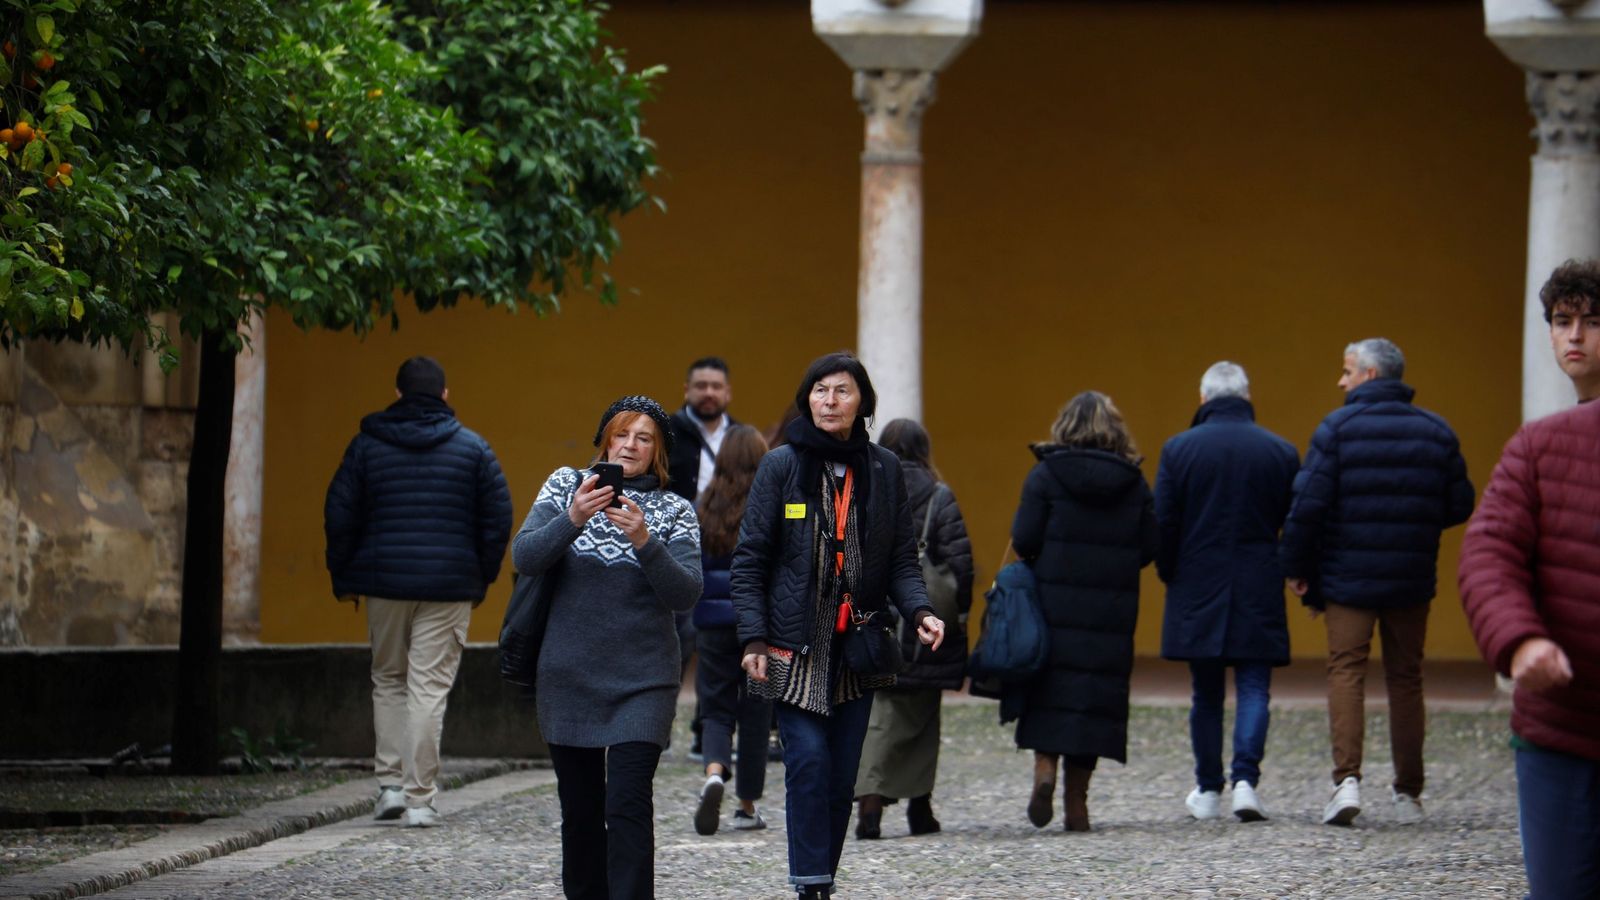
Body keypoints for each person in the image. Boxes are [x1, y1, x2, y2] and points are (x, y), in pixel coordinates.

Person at [732, 352, 945, 900]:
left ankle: (820, 877)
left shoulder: (882, 469)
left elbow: (901, 559)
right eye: (820, 390)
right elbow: (751, 557)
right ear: (807, 399)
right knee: (807, 762)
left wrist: (920, 612)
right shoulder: (781, 465)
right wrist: (753, 636)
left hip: (856, 646)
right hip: (793, 644)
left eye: (842, 391)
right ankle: (811, 885)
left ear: (862, 403)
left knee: (841, 778)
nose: (830, 400)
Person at [511, 396, 703, 899]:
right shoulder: (563, 486)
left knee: (627, 805)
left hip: (644, 680)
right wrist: (573, 517)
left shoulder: (674, 510)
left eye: (644, 439)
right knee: (580, 812)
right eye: (622, 434)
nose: (630, 446)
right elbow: (526, 556)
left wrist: (645, 540)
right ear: (605, 439)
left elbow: (686, 592)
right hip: (568, 675)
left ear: (657, 452)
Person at [1278, 338, 1475, 827]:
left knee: (1346, 670)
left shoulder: (1337, 429)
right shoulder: (1436, 432)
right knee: (1406, 677)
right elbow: (1460, 503)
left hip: (1349, 579)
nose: (1340, 381)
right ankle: (1408, 794)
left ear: (1368, 375)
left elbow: (1308, 507)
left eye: (1346, 371)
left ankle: (1346, 781)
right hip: (1410, 577)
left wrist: (1297, 566)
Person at [1458, 259, 1600, 899]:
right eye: (1563, 322)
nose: (1576, 337)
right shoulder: (1539, 447)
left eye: (1594, 322)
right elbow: (1489, 552)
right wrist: (1520, 642)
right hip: (1561, 730)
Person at [323, 356, 513, 828]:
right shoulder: (474, 450)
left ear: (398, 391)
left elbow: (339, 513)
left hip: (384, 582)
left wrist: (345, 576)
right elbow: (498, 519)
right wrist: (480, 577)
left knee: (388, 678)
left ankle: (389, 786)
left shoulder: (366, 445)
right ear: (445, 395)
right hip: (449, 586)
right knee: (428, 688)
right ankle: (420, 799)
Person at [1154, 362, 1299, 823]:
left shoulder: (1178, 450)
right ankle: (1246, 783)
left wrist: (1169, 571)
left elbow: (1165, 523)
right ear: (1246, 395)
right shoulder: (1280, 451)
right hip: (1258, 578)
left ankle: (1208, 787)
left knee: (1206, 692)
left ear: (1203, 398)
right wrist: (1288, 567)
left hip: (1198, 580)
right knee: (1255, 686)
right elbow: (1294, 521)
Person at [1010, 391, 1158, 833]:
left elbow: (1024, 537)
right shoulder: (1134, 482)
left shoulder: (1045, 475)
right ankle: (1078, 803)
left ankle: (1044, 771)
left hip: (1053, 604)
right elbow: (1151, 547)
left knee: (1050, 691)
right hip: (1110, 611)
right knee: (1092, 700)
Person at [854, 418, 973, 839]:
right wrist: (958, 616)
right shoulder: (940, 496)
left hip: (873, 620)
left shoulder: (866, 489)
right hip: (926, 625)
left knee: (878, 719)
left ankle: (869, 806)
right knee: (923, 718)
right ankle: (920, 809)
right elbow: (960, 563)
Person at [690, 424, 774, 836]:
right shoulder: (769, 504)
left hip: (712, 626)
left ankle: (713, 774)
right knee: (756, 714)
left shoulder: (704, 506)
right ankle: (746, 805)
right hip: (760, 628)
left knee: (715, 708)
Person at [667, 357, 738, 759]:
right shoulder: (669, 433)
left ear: (727, 392)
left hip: (724, 552)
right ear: (687, 390)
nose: (708, 393)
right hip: (677, 548)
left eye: (716, 386)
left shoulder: (740, 436)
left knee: (716, 641)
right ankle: (657, 726)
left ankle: (703, 730)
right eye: (701, 386)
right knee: (672, 641)